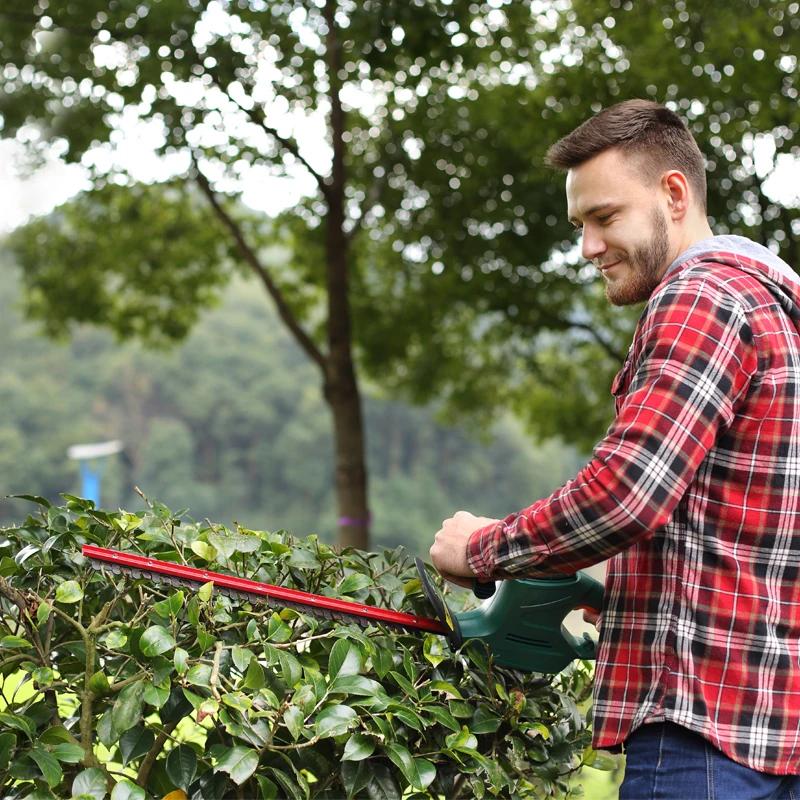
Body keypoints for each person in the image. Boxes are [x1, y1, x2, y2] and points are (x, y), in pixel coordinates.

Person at [430, 99, 800, 799]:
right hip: (775, 731)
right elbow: (750, 528)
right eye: (580, 226)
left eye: (605, 218)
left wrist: (481, 549)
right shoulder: (776, 309)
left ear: (673, 193)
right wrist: (638, 592)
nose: (588, 247)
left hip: (700, 737)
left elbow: (626, 493)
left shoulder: (701, 296)